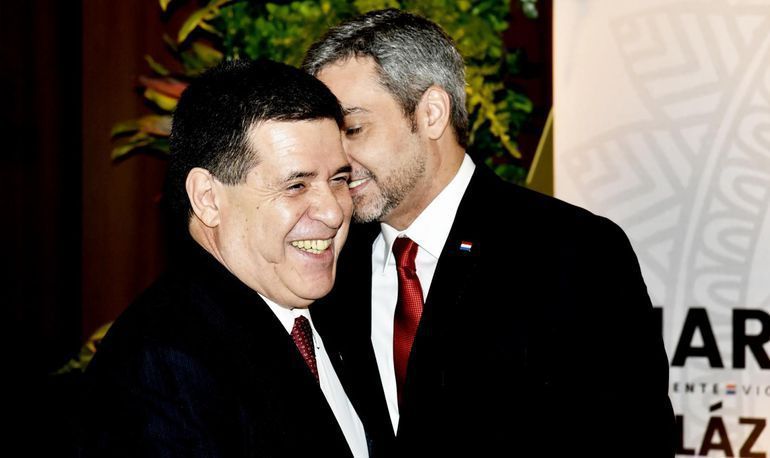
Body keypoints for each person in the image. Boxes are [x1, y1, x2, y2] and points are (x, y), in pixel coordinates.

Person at [304, 9, 676, 457]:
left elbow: (633, 436)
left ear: (431, 113)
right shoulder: (325, 261)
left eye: (354, 128)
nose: (338, 160)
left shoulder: (572, 252)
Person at [79, 59, 378, 457]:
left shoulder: (338, 310)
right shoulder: (161, 369)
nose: (333, 212)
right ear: (208, 198)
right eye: (296, 185)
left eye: (338, 180)